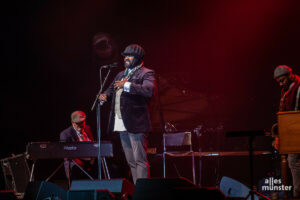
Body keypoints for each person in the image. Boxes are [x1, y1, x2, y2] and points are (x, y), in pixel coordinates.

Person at [99, 44, 156, 184]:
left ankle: (144, 192)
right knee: (131, 161)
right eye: (125, 55)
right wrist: (105, 95)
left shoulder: (146, 73)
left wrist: (126, 85)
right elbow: (111, 89)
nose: (126, 58)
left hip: (136, 122)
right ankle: (138, 189)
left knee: (139, 160)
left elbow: (148, 91)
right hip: (121, 122)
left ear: (138, 58)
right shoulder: (121, 74)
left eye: (130, 56)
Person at [273, 65, 300, 198]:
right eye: (278, 82)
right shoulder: (285, 91)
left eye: (282, 80)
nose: (280, 84)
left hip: (297, 132)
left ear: (290, 75)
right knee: (291, 162)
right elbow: (283, 115)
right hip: (291, 133)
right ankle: (292, 193)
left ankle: (296, 194)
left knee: (293, 162)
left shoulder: (299, 87)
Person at [60, 110, 96, 180]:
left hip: (91, 161)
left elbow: (93, 144)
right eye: (78, 123)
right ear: (72, 122)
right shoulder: (65, 134)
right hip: (77, 162)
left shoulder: (88, 128)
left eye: (82, 123)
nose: (80, 125)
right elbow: (66, 154)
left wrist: (93, 158)